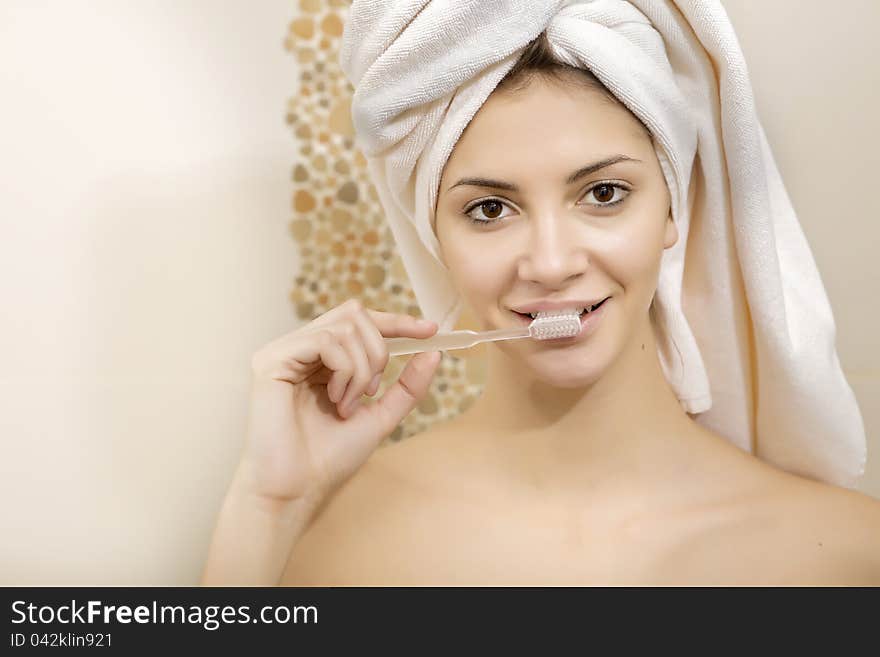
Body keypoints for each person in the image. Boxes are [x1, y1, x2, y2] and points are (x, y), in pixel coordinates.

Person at [201, 26, 880, 586]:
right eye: (490, 209)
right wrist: (267, 508)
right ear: (435, 235)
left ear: (674, 205)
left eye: (605, 194)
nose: (552, 263)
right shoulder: (314, 540)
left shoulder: (850, 556)